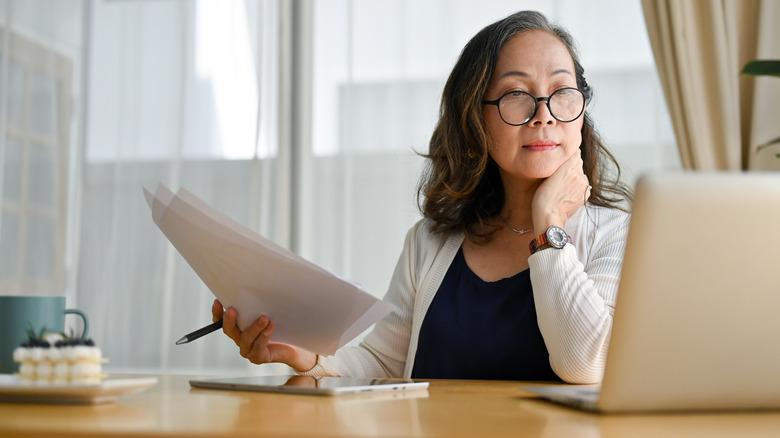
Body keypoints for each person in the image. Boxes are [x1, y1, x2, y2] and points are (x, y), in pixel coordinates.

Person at [212, 10, 632, 384]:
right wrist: (308, 358)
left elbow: (585, 365)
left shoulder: (616, 234)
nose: (544, 113)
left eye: (562, 92)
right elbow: (382, 361)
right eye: (516, 95)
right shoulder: (429, 242)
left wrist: (549, 226)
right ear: (476, 120)